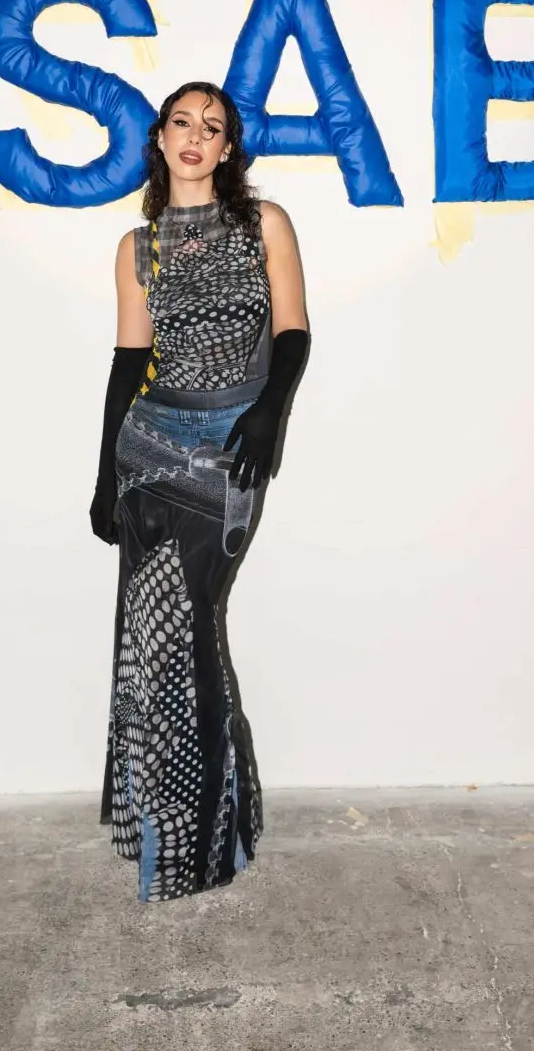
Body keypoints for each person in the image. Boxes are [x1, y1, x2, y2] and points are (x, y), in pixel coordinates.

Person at [89, 81, 309, 902]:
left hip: (225, 451)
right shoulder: (136, 246)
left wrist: (269, 416)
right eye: (182, 122)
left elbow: (293, 332)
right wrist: (103, 475)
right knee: (151, 641)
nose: (195, 136)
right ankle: (162, 828)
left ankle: (212, 836)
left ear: (227, 149)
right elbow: (126, 362)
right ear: (160, 138)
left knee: (193, 628)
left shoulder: (264, 225)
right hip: (147, 449)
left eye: (211, 127)